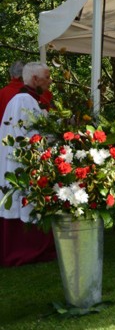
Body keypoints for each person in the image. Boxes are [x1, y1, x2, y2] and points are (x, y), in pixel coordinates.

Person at [0, 62, 56, 266]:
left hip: (26, 160)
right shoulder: (23, 100)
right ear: (34, 79)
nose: (50, 81)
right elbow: (29, 135)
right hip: (23, 163)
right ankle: (29, 250)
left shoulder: (29, 99)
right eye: (47, 77)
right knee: (26, 201)